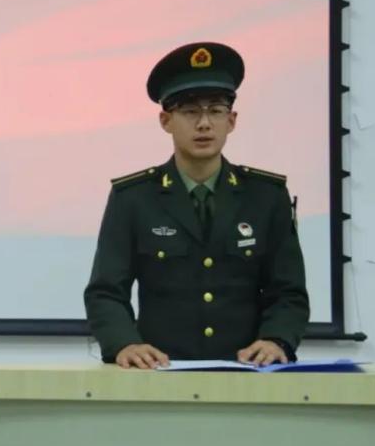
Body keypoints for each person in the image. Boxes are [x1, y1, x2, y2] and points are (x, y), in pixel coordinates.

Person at [83, 42, 309, 369]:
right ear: (165, 120)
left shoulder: (266, 196)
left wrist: (277, 339)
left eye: (215, 110)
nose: (204, 124)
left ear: (232, 120)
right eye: (190, 111)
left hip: (248, 374)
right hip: (158, 374)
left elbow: (288, 291)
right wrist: (125, 344)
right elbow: (105, 292)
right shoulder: (133, 198)